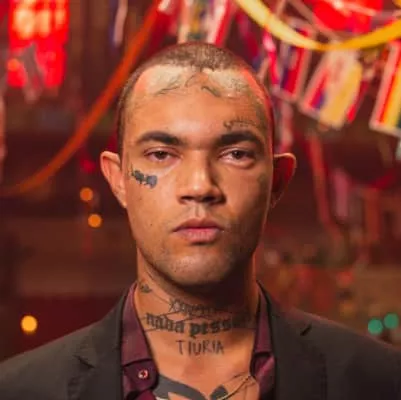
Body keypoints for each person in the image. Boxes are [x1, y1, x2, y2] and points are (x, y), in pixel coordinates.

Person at [1, 42, 400, 400]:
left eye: (236, 154)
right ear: (119, 180)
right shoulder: (22, 390)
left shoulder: (381, 382)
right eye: (161, 154)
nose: (199, 186)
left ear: (277, 181)